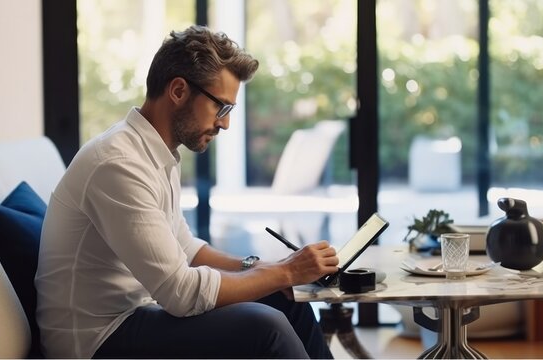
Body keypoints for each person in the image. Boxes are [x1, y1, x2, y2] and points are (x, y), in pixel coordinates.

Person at [35, 25, 338, 359]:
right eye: (221, 108)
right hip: (98, 340)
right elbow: (180, 293)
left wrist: (265, 269)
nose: (225, 124)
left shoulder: (157, 153)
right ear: (178, 90)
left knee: (283, 299)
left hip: (138, 315)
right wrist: (283, 271)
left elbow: (187, 248)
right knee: (265, 326)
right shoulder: (117, 164)